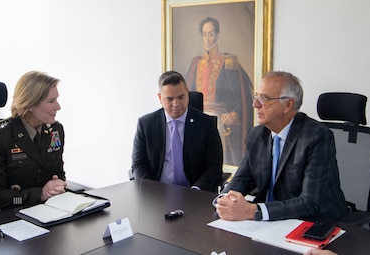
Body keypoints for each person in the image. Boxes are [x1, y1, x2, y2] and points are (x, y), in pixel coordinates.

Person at [214, 71, 347, 221]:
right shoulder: (256, 135)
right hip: (269, 222)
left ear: (288, 104)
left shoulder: (317, 137)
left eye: (264, 98)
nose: (255, 104)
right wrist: (223, 201)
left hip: (312, 223)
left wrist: (254, 211)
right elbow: (243, 179)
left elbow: (309, 203)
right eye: (256, 97)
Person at [0, 71, 66, 211]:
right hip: (7, 214)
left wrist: (57, 186)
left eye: (57, 99)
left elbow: (58, 173)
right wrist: (40, 194)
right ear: (30, 103)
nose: (58, 106)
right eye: (51, 101)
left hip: (47, 211)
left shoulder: (55, 130)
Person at [131, 70, 223, 191]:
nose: (176, 104)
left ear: (187, 93)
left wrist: (196, 190)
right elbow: (138, 165)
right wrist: (151, 190)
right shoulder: (146, 124)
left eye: (181, 97)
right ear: (160, 98)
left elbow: (214, 167)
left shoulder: (206, 124)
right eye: (169, 99)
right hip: (157, 192)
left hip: (194, 193)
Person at [185, 16, 253, 166]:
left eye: (210, 34)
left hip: (219, 119)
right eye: (204, 34)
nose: (207, 39)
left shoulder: (228, 62)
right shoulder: (196, 63)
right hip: (197, 117)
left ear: (217, 35)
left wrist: (233, 114)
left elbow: (242, 97)